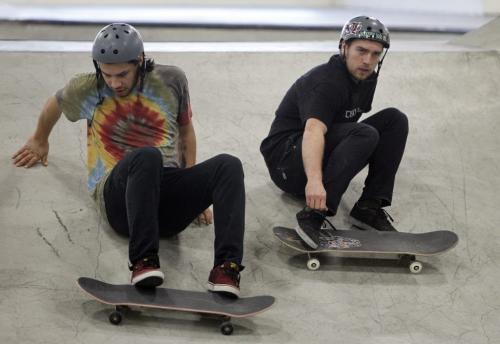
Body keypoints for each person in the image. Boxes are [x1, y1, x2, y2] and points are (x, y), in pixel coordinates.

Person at [12, 23, 245, 297]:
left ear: (141, 61)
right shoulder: (87, 87)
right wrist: (40, 138)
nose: (114, 83)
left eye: (122, 74)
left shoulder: (172, 80)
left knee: (229, 165)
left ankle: (226, 269)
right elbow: (56, 102)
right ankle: (144, 261)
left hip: (165, 200)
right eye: (107, 74)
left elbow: (186, 132)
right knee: (146, 156)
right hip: (117, 199)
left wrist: (194, 189)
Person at [260, 16, 408, 249]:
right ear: (344, 47)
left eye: (375, 54)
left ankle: (368, 207)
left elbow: (344, 127)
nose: (368, 61)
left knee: (395, 120)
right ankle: (314, 214)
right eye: (361, 50)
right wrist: (315, 182)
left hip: (319, 152)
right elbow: (313, 131)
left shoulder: (366, 77)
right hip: (288, 163)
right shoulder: (326, 82)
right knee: (365, 133)